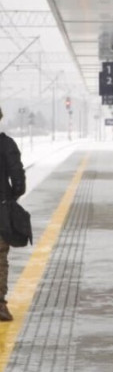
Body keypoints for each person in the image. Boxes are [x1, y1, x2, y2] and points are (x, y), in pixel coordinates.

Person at [0, 107, 26, 322]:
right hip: (1, 211)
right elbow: (18, 180)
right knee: (0, 259)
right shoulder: (6, 144)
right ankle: (0, 305)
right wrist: (10, 199)